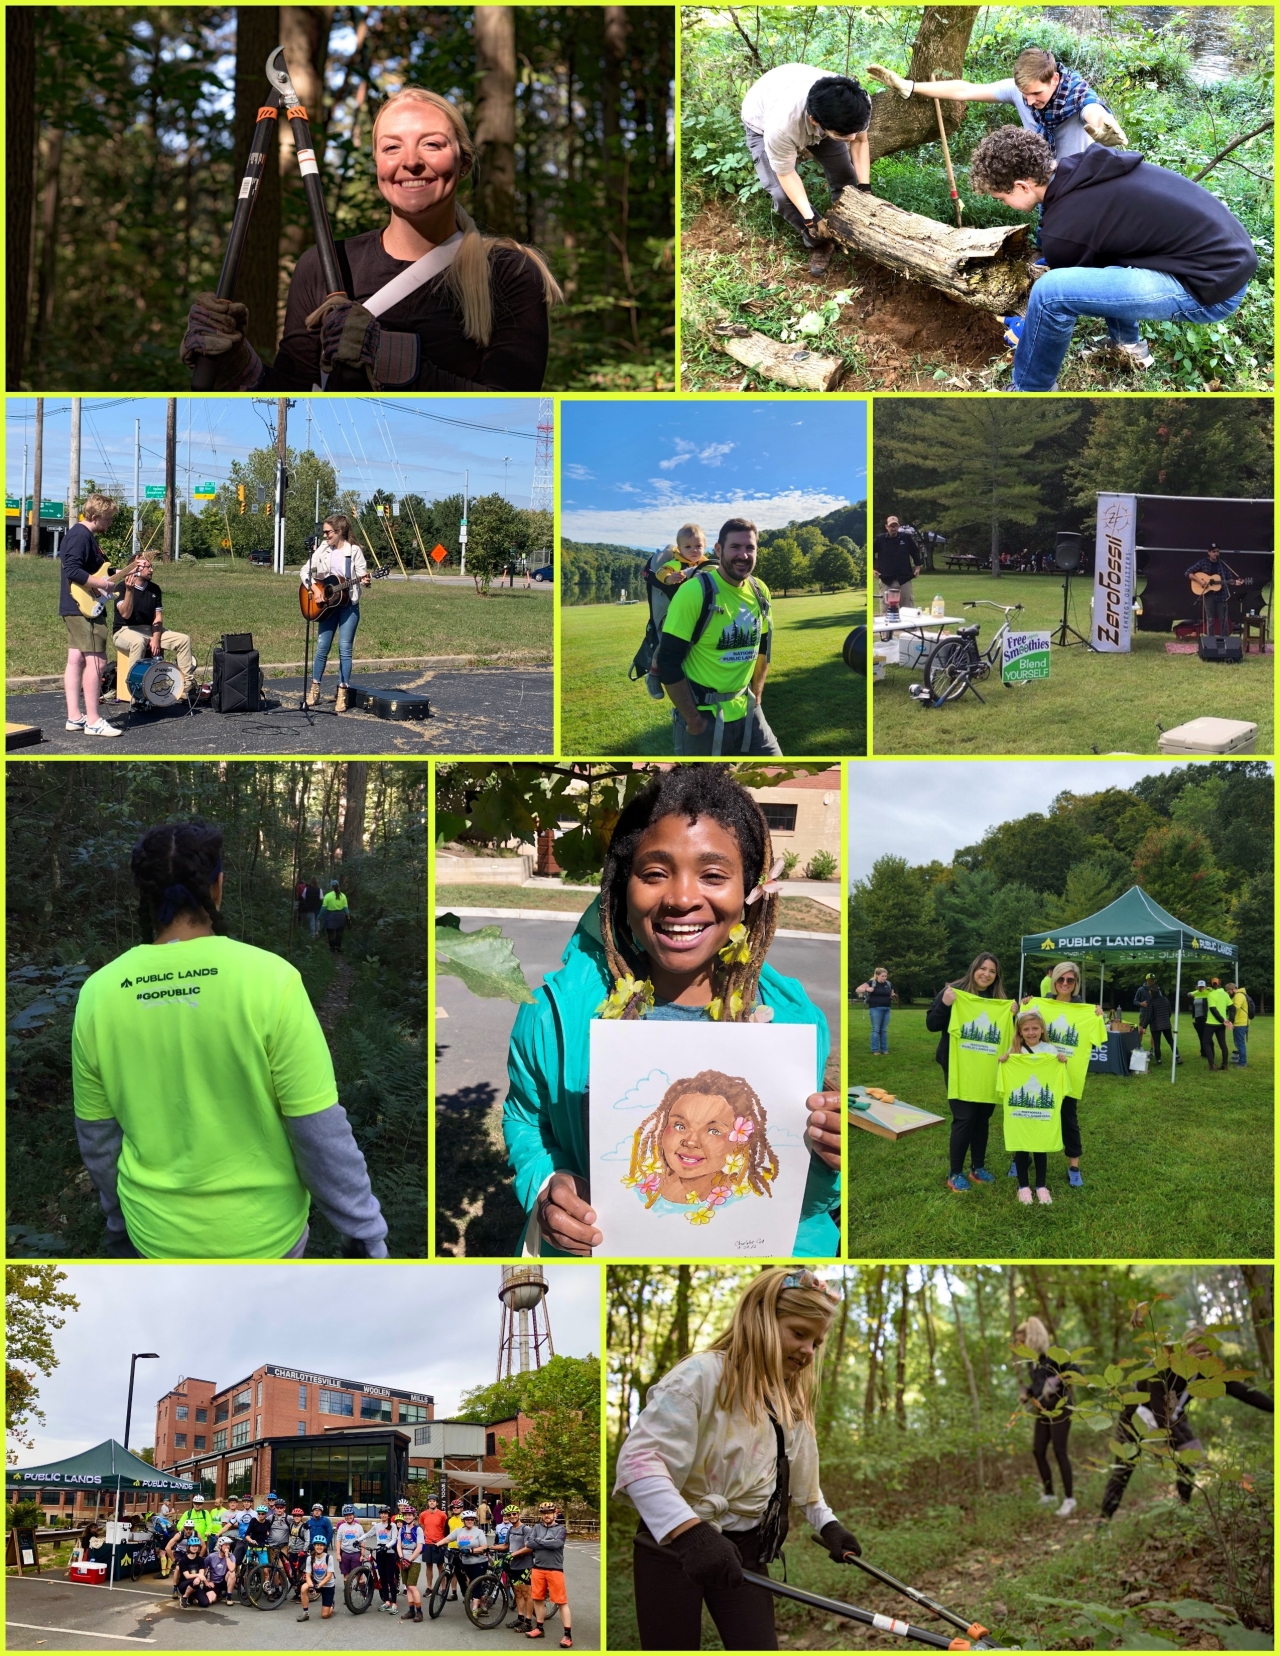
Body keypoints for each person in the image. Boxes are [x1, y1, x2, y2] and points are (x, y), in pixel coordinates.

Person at [504, 766, 841, 1257]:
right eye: (655, 873)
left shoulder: (795, 1022)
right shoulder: (552, 1014)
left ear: (751, 892)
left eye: (714, 875)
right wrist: (546, 1184)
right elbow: (525, 1119)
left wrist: (831, 1161)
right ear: (622, 888)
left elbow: (801, 1196)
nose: (682, 898)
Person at [72, 822, 388, 1259]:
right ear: (217, 887)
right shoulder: (270, 979)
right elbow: (318, 1131)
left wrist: (119, 1217)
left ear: (143, 894)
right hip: (264, 1237)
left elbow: (99, 1140)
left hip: (154, 1234)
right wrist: (363, 1231)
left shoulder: (98, 994)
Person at [182, 88, 562, 393]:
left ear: (463, 162)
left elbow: (511, 413)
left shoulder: (509, 272)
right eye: (392, 147)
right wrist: (234, 363)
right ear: (378, 164)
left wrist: (391, 360)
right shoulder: (324, 264)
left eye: (432, 144)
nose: (410, 161)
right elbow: (292, 396)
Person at [616, 1269, 859, 1652]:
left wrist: (830, 1526)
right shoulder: (700, 1376)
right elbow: (640, 1464)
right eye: (799, 1333)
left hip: (746, 1549)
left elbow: (804, 1487)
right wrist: (690, 1533)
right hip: (673, 1544)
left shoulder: (789, 1406)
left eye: (817, 1341)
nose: (809, 1351)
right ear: (760, 1318)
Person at [966, 126, 1257, 392]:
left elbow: (1065, 291)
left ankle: (1029, 391)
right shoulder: (1085, 168)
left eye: (1001, 198)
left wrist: (1026, 323)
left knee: (1049, 294)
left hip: (1210, 287)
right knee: (1103, 256)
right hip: (1229, 256)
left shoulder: (1065, 230)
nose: (1005, 204)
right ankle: (1128, 345)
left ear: (1021, 186)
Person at [1100, 1324, 1272, 1520]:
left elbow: (1243, 1392)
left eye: (1208, 1354)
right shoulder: (1161, 1368)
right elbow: (1160, 1414)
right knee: (1123, 1469)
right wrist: (1194, 1452)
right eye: (1199, 1352)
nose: (1203, 1358)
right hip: (1137, 1416)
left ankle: (1183, 1515)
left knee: (1187, 1467)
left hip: (1172, 1414)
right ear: (1184, 1348)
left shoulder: (1205, 1369)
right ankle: (1103, 1522)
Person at [653, 518, 780, 757]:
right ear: (718, 550)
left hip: (748, 710)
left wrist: (758, 697)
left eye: (750, 548)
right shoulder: (694, 591)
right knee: (700, 792)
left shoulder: (759, 590)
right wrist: (694, 720)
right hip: (703, 716)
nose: (743, 555)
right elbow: (668, 661)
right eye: (735, 547)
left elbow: (763, 646)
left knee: (778, 773)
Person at [867, 47, 1126, 160]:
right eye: (1024, 94)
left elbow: (1092, 109)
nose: (1029, 101)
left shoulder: (1077, 94)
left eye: (1036, 94)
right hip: (1045, 178)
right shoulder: (1019, 91)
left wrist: (1103, 125)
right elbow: (965, 90)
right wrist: (910, 86)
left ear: (1054, 79)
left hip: (1080, 179)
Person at [740, 65, 873, 276]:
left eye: (854, 131)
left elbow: (860, 142)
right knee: (782, 196)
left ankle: (847, 227)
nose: (852, 137)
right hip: (762, 121)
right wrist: (811, 219)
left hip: (817, 113)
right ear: (815, 121)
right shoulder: (781, 127)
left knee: (845, 176)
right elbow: (786, 174)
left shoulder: (856, 104)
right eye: (845, 134)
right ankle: (820, 243)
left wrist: (865, 190)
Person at [925, 951, 1012, 1194]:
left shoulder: (999, 1001)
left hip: (988, 1069)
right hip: (959, 1067)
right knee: (964, 1118)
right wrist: (945, 1004)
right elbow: (932, 1024)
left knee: (982, 1118)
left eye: (992, 971)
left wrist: (1013, 1014)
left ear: (997, 976)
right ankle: (955, 1172)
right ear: (974, 968)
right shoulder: (953, 992)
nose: (986, 974)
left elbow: (1012, 1034)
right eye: (983, 968)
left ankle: (978, 1167)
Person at [1022, 960, 1107, 1188]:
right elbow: (1021, 1028)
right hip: (1040, 1073)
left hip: (1069, 1076)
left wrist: (1099, 1016)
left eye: (1070, 980)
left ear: (1076, 983)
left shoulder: (1087, 1011)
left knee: (1069, 1120)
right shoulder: (1039, 1006)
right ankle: (1021, 1158)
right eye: (1061, 979)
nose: (1065, 983)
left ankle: (1074, 1167)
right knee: (1032, 1114)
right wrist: (1025, 1005)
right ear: (1053, 981)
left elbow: (1098, 1039)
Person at [59, 492, 123, 738]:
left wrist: (113, 575)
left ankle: (75, 717)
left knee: (76, 660)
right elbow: (72, 569)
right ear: (95, 516)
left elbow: (87, 569)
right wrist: (104, 585)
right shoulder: (80, 536)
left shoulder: (83, 535)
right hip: (82, 607)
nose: (110, 523)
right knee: (96, 661)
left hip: (75, 605)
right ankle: (94, 721)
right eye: (108, 518)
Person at [997, 1005, 1070, 1204]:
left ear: (1042, 1029)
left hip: (1041, 1116)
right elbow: (1004, 1077)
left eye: (1035, 1028)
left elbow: (1059, 1075)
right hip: (1020, 1116)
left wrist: (1062, 1061)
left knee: (1040, 1147)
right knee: (1020, 1148)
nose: (1031, 1033)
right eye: (1026, 1029)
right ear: (1020, 1031)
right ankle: (1023, 1187)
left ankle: (1041, 1186)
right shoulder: (1015, 1051)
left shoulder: (1049, 1050)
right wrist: (1004, 1061)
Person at [300, 515, 372, 712]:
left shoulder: (354, 551)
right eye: (324, 532)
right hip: (327, 606)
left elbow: (362, 575)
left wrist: (366, 581)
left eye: (327, 532)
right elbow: (305, 571)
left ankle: (342, 693)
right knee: (322, 647)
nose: (324, 536)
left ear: (339, 531)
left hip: (349, 606)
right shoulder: (323, 549)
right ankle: (314, 690)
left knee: (344, 648)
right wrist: (315, 590)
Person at [111, 553, 196, 698]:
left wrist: (155, 638)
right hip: (125, 630)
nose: (152, 570)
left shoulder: (154, 589)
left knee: (183, 639)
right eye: (148, 567)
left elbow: (157, 618)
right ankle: (135, 688)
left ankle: (187, 684)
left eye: (152, 566)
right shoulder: (121, 587)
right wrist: (130, 591)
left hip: (149, 629)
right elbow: (125, 614)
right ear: (135, 569)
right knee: (138, 641)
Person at [1015, 1316, 1075, 1517]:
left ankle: (1069, 1499)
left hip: (1060, 1408)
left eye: (1022, 1341)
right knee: (1038, 1450)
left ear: (1032, 1337)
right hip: (1042, 1410)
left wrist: (1057, 1380)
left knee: (1059, 1451)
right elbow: (1038, 1386)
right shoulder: (1033, 1362)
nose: (1019, 1345)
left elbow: (1075, 1371)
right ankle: (1049, 1494)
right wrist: (1027, 1392)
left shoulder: (1054, 1354)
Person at [525, 1502, 572, 1647]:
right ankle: (539, 1628)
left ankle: (568, 1635)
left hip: (555, 1569)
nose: (546, 1515)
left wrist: (539, 1541)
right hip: (538, 1568)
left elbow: (556, 1545)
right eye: (544, 1513)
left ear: (555, 1513)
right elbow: (529, 1543)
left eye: (549, 1512)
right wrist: (545, 1541)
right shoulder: (536, 1527)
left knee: (561, 1602)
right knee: (538, 1599)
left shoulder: (561, 1529)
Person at [1184, 544, 1246, 638]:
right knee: (1210, 620)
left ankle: (1225, 641)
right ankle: (1211, 642)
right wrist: (1200, 581)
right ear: (1208, 553)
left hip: (1222, 595)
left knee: (1223, 620)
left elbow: (1229, 579)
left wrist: (1235, 582)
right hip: (1209, 595)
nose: (1216, 553)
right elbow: (1188, 573)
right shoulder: (1203, 562)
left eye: (1217, 551)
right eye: (1213, 551)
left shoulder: (1223, 564)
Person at [872, 517, 922, 612]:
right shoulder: (880, 539)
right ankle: (888, 627)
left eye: (895, 526)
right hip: (886, 579)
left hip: (904, 578)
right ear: (887, 527)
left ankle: (908, 627)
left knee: (907, 607)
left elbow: (915, 552)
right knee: (886, 608)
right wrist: (873, 569)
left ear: (898, 526)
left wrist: (917, 567)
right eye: (891, 526)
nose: (893, 528)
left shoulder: (906, 538)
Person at [506, 1507, 538, 1634]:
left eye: (514, 1514)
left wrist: (513, 1554)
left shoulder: (526, 1529)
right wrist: (489, 1547)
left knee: (526, 1594)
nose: (512, 1516)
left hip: (525, 1565)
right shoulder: (510, 1529)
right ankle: (520, 1618)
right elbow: (506, 1546)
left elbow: (528, 1548)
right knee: (517, 1593)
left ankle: (528, 1622)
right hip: (513, 1566)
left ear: (518, 1515)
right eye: (509, 1514)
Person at [454, 1511, 491, 1613]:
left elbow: (484, 1547)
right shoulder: (459, 1531)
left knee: (475, 1583)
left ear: (474, 1521)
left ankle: (474, 1608)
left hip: (480, 1562)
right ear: (463, 1521)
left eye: (472, 1519)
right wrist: (437, 1545)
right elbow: (447, 1539)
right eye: (467, 1519)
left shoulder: (479, 1532)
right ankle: (483, 1605)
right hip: (467, 1563)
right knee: (473, 1582)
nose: (470, 1521)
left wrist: (471, 1551)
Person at [854, 966, 896, 1055]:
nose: (884, 978)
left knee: (884, 1030)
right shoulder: (872, 983)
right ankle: (875, 1050)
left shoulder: (888, 984)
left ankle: (884, 1049)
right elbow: (858, 989)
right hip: (875, 1008)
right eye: (882, 976)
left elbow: (891, 993)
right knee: (876, 1029)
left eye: (885, 976)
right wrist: (866, 989)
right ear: (877, 975)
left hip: (887, 1008)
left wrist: (893, 995)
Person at [368, 1507, 401, 1612]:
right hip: (379, 1552)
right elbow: (368, 1534)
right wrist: (357, 1540)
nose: (383, 1515)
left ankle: (394, 1603)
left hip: (389, 1553)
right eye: (381, 1513)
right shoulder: (377, 1526)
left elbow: (394, 1539)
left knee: (390, 1579)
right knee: (383, 1578)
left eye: (385, 1514)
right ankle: (386, 1601)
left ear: (388, 1515)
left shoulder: (393, 1525)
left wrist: (386, 1546)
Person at [298, 1537, 337, 1622]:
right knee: (304, 1588)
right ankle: (305, 1614)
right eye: (317, 1545)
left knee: (325, 1615)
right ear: (314, 1546)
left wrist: (318, 1586)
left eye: (321, 1545)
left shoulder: (328, 1558)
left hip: (328, 1585)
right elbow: (308, 1575)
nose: (319, 1547)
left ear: (324, 1547)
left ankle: (331, 1605)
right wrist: (312, 1587)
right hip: (316, 1582)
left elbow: (329, 1576)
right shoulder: (309, 1558)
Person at [397, 1505, 425, 1621]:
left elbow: (419, 1547)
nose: (407, 1517)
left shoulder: (418, 1529)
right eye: (406, 1515)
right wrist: (402, 1557)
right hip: (404, 1558)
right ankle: (411, 1610)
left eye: (410, 1515)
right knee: (408, 1586)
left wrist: (409, 1559)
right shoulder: (402, 1529)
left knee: (412, 1586)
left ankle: (419, 1612)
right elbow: (398, 1544)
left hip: (415, 1560)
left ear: (414, 1516)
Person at [419, 1493, 448, 1594]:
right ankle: (429, 1587)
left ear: (437, 1503)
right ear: (428, 1502)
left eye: (433, 1501)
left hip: (438, 1543)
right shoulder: (423, 1514)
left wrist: (443, 1542)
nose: (431, 1502)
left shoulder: (442, 1515)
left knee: (440, 1566)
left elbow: (445, 1528)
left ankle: (443, 1588)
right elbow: (423, 1527)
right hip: (427, 1543)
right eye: (430, 1501)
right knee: (428, 1565)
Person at [1140, 982, 1174, 1066]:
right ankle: (1177, 1056)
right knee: (1171, 1041)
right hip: (1166, 1024)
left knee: (1157, 1043)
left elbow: (1148, 1016)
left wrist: (1144, 1026)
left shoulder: (1151, 1002)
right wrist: (1166, 1018)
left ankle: (1158, 1060)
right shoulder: (1165, 999)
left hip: (1155, 1025)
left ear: (1151, 992)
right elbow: (1169, 1012)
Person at [177, 1538, 217, 1608]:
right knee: (195, 1580)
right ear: (188, 1547)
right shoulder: (183, 1561)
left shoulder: (201, 1560)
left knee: (205, 1603)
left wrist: (201, 1579)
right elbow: (187, 1576)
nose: (194, 1548)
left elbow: (201, 1574)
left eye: (196, 1546)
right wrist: (198, 1575)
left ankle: (191, 1596)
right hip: (184, 1585)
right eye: (192, 1546)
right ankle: (185, 1597)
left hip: (196, 1584)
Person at [1204, 978, 1234, 1071]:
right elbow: (1232, 1008)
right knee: (1222, 1044)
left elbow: (1213, 1010)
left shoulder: (1211, 995)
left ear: (1211, 984)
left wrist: (1223, 1021)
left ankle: (1212, 1064)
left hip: (1211, 1023)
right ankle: (1224, 1065)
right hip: (1221, 1025)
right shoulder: (1225, 994)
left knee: (1205, 1043)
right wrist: (1229, 1020)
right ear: (1220, 983)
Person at [321, 878, 352, 954]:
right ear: (338, 886)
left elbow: (324, 907)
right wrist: (348, 916)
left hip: (330, 916)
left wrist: (319, 915)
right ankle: (338, 947)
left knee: (330, 932)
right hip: (341, 916)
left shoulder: (327, 896)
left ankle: (332, 947)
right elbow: (346, 908)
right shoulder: (343, 896)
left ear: (331, 887)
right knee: (339, 932)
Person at [335, 1505, 365, 1582]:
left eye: (350, 1515)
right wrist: (338, 1554)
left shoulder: (359, 1527)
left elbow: (363, 1542)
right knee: (346, 1577)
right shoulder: (342, 1527)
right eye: (347, 1515)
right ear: (344, 1517)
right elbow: (338, 1541)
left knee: (359, 1577)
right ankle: (347, 1593)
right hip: (345, 1554)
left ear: (353, 1515)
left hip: (356, 1554)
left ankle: (364, 1593)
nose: (348, 1517)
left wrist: (362, 1555)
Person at [1226, 981, 1251, 1066]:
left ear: (1233, 989)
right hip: (1241, 1022)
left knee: (1240, 1043)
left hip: (1240, 1023)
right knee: (1238, 1043)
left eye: (1229, 992)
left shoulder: (1239, 995)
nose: (1229, 993)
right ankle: (1240, 1060)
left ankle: (1242, 1062)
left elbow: (1234, 1008)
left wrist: (1230, 1020)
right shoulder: (1240, 995)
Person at [207, 1535, 237, 1602]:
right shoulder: (211, 1556)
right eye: (225, 1545)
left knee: (232, 1573)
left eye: (228, 1545)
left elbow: (232, 1569)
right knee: (211, 1600)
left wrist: (226, 1556)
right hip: (214, 1582)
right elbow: (203, 1568)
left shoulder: (231, 1556)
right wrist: (206, 1582)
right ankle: (219, 1594)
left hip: (224, 1580)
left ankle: (229, 1597)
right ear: (220, 1546)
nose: (228, 1547)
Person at [301, 876, 324, 940]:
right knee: (317, 920)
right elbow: (321, 898)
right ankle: (317, 933)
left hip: (310, 907)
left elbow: (303, 897)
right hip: (317, 907)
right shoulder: (319, 890)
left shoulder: (307, 889)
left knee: (312, 921)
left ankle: (312, 935)